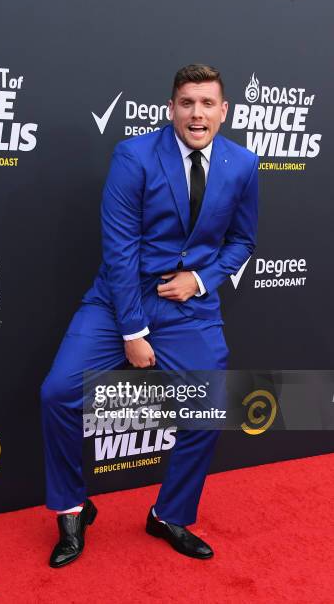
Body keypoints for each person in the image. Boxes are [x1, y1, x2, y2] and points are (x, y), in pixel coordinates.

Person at [41, 63, 259, 568]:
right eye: (187, 102)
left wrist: (201, 280)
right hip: (122, 297)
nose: (197, 113)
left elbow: (242, 241)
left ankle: (168, 514)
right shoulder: (134, 155)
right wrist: (133, 330)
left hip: (191, 304)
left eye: (207, 103)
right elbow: (119, 250)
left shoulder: (244, 164)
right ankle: (73, 508)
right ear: (171, 109)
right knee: (57, 391)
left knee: (206, 404)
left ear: (224, 111)